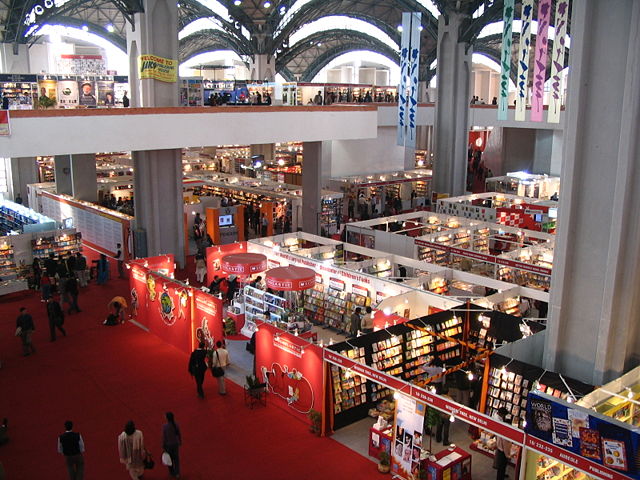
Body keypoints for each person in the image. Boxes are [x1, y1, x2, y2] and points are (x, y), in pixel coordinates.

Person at [494, 407, 515, 480]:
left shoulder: (501, 428)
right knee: (501, 467)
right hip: (503, 452)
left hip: (500, 449)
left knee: (501, 467)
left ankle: (501, 476)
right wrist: (508, 455)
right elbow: (505, 446)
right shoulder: (505, 435)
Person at [162, 412, 182, 479]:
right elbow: (179, 434)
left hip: (168, 445)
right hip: (175, 444)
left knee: (169, 459)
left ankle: (172, 472)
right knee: (176, 459)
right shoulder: (176, 425)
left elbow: (164, 437)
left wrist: (163, 445)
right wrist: (180, 441)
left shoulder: (165, 426)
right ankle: (177, 473)